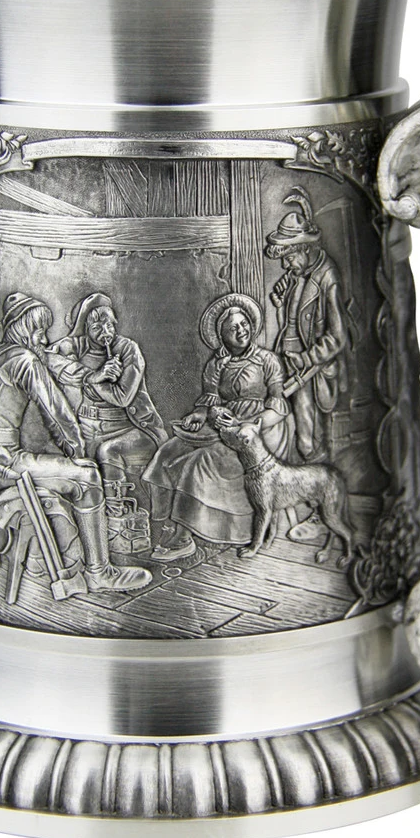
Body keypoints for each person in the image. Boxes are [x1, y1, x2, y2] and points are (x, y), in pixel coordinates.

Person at [0, 292, 151, 594]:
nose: (43, 339)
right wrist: (76, 452)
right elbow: (57, 413)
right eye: (39, 330)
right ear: (25, 328)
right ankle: (99, 572)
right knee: (88, 477)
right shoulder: (25, 360)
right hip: (3, 462)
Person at [143, 293, 291, 561]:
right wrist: (199, 414)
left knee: (199, 463)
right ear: (221, 336)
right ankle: (163, 524)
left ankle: (183, 537)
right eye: (233, 328)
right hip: (220, 425)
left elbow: (278, 406)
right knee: (167, 452)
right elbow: (210, 399)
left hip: (255, 433)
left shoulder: (267, 360)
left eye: (244, 324)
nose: (241, 330)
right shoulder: (216, 364)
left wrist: (248, 425)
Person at [47, 293, 167, 497]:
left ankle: (116, 509)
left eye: (110, 325)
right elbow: (47, 357)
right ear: (85, 329)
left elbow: (122, 397)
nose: (106, 332)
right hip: (88, 428)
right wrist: (93, 376)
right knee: (65, 457)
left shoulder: (128, 349)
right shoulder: (78, 346)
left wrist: (96, 382)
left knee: (108, 452)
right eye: (97, 327)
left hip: (131, 429)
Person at [264, 188, 348, 462]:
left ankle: (317, 480)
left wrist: (307, 358)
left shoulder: (328, 278)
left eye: (289, 257)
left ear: (305, 249)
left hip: (310, 369)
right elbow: (291, 320)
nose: (286, 265)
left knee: (308, 435)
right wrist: (280, 301)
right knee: (291, 427)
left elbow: (336, 337)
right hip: (289, 361)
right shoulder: (296, 274)